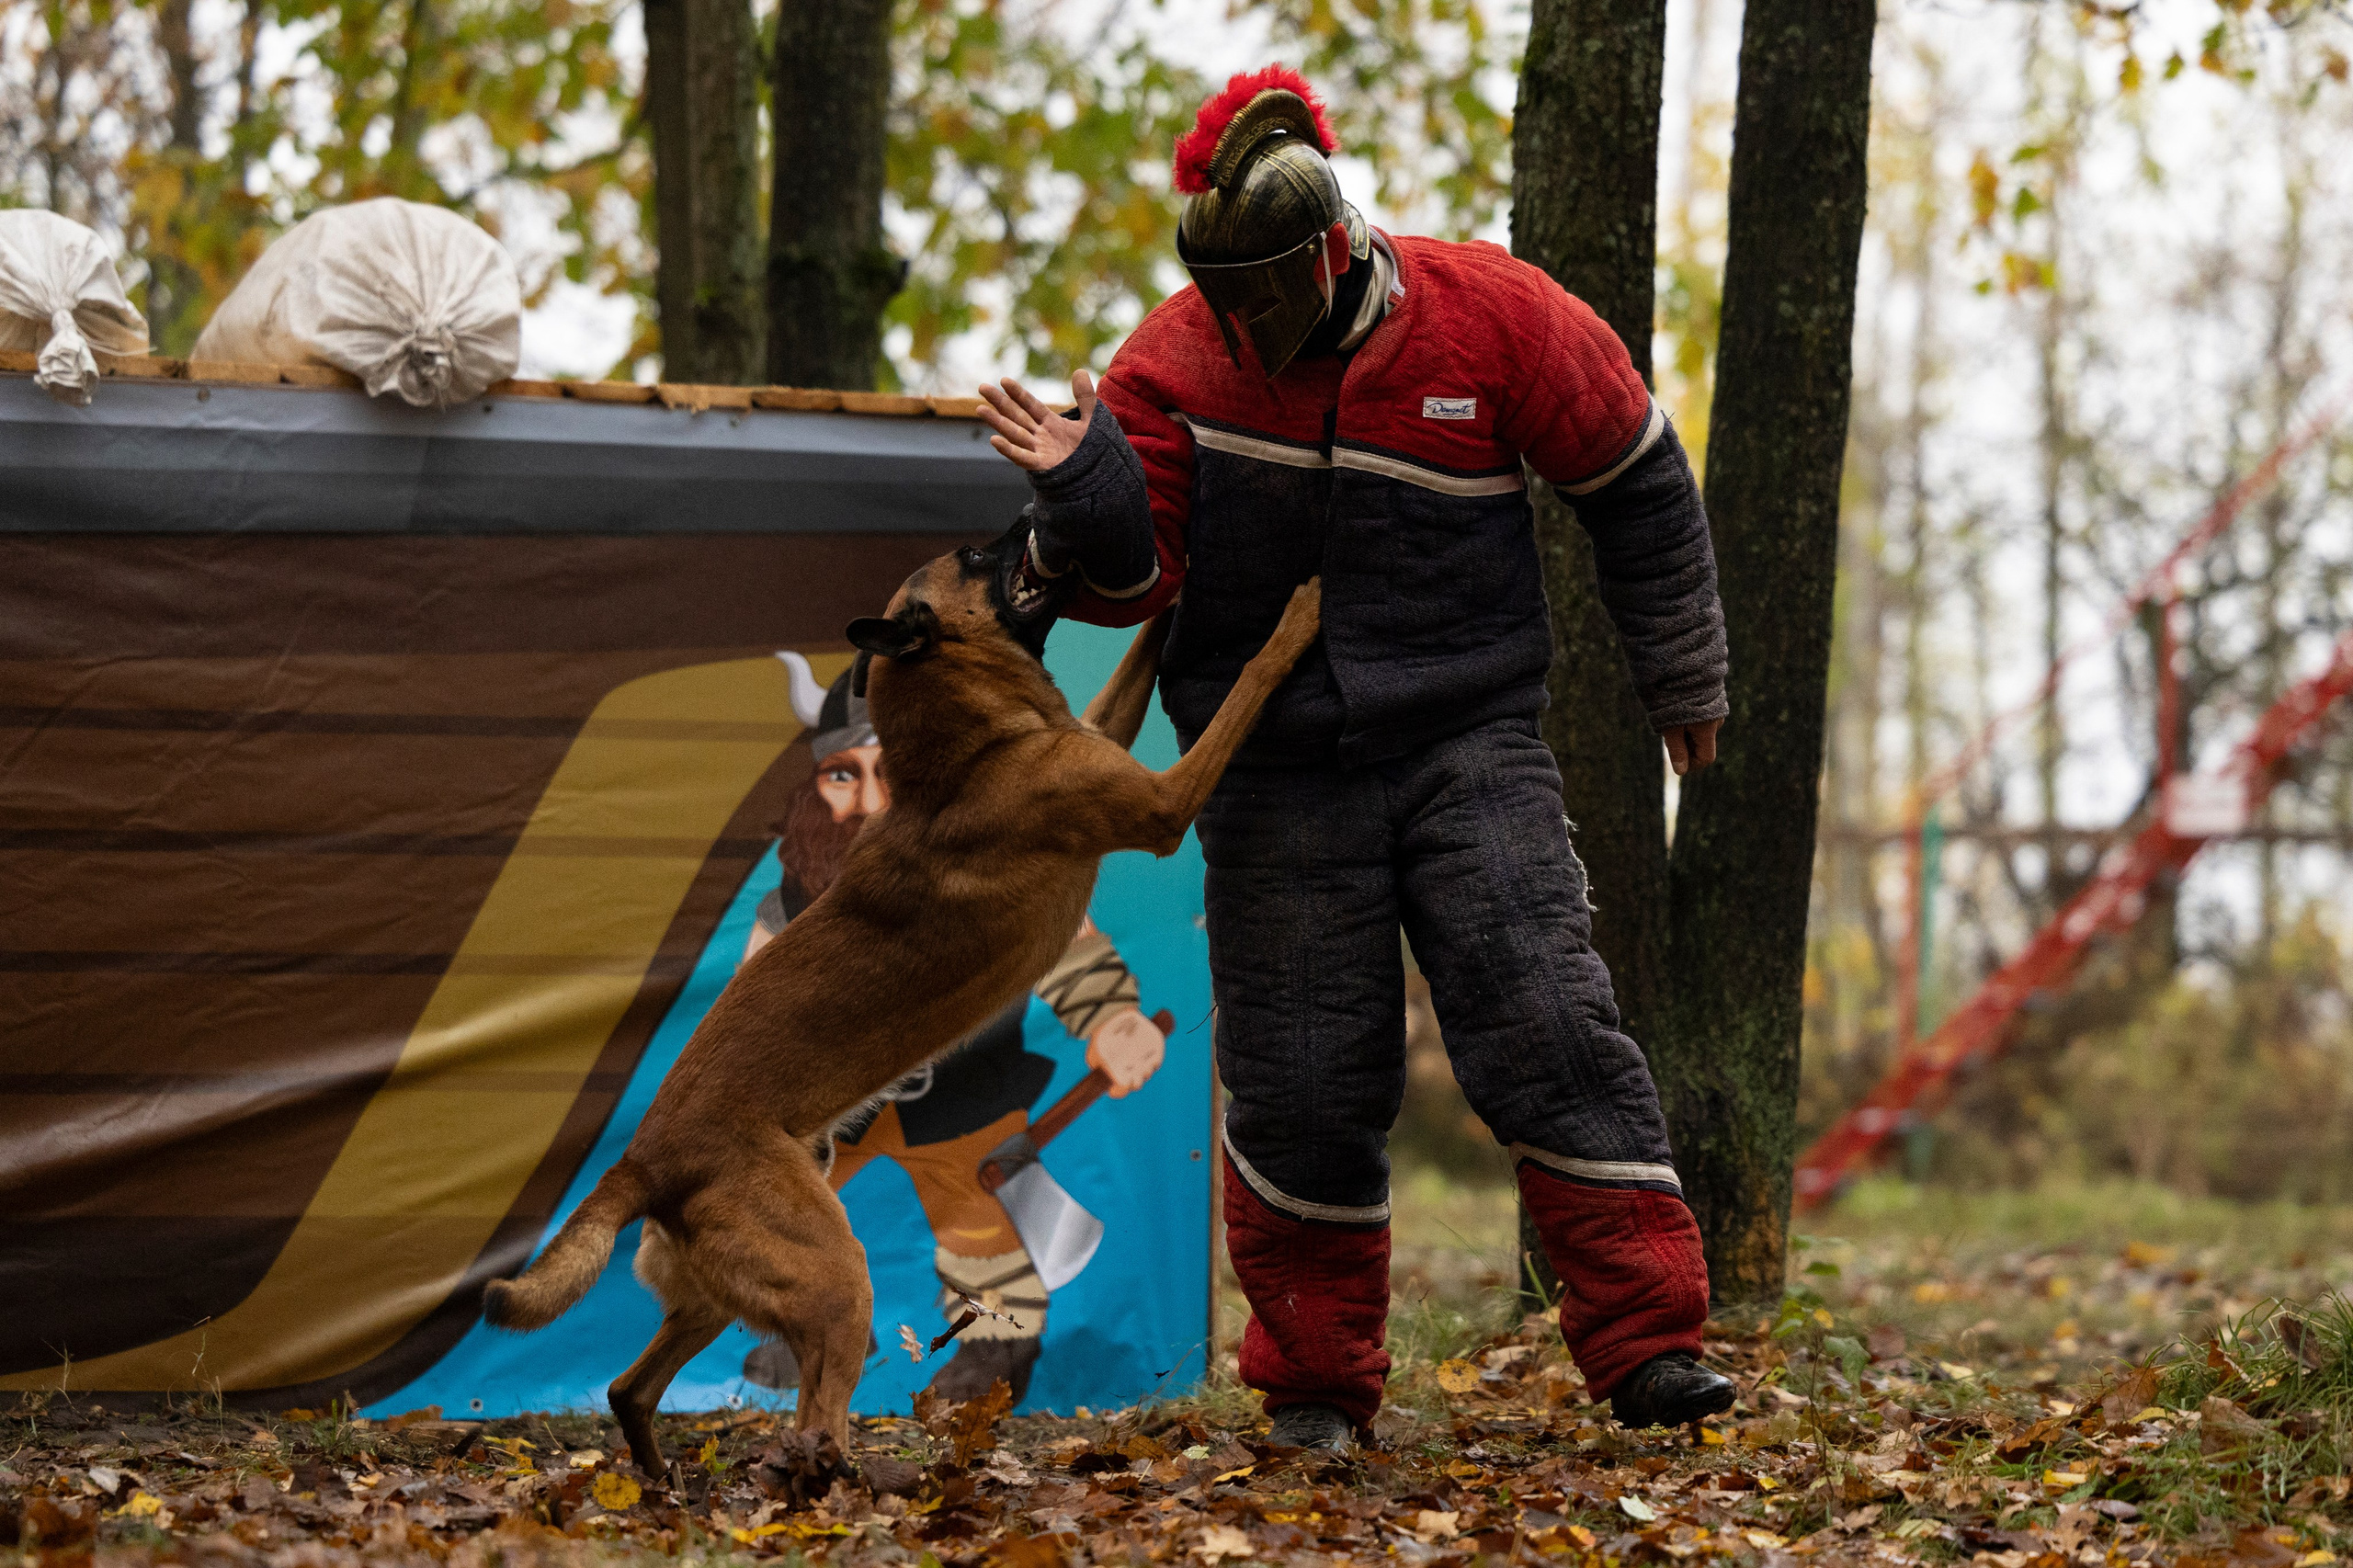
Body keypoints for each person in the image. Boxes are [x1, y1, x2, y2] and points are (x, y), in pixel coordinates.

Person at [972, 65, 1737, 1448]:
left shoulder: (1495, 316)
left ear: (1329, 249)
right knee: (1304, 1072)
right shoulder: (1171, 362)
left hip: (1470, 735)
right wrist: (1083, 480)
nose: (1244, 327)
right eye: (1223, 299)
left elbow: (1636, 476)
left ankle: (1649, 1347)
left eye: (1263, 293)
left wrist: (1682, 670)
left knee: (1545, 1012)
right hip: (1273, 762)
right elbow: (1136, 572)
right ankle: (1317, 1385)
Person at [736, 659, 1168, 1403]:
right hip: (836, 1108)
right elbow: (750, 1006)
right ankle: (814, 1325)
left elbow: (1063, 943)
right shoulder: (797, 893)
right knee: (777, 1202)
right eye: (844, 775)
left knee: (981, 1230)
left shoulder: (996, 861)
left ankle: (993, 1348)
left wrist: (1113, 1020)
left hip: (964, 1098)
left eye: (892, 773)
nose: (869, 801)